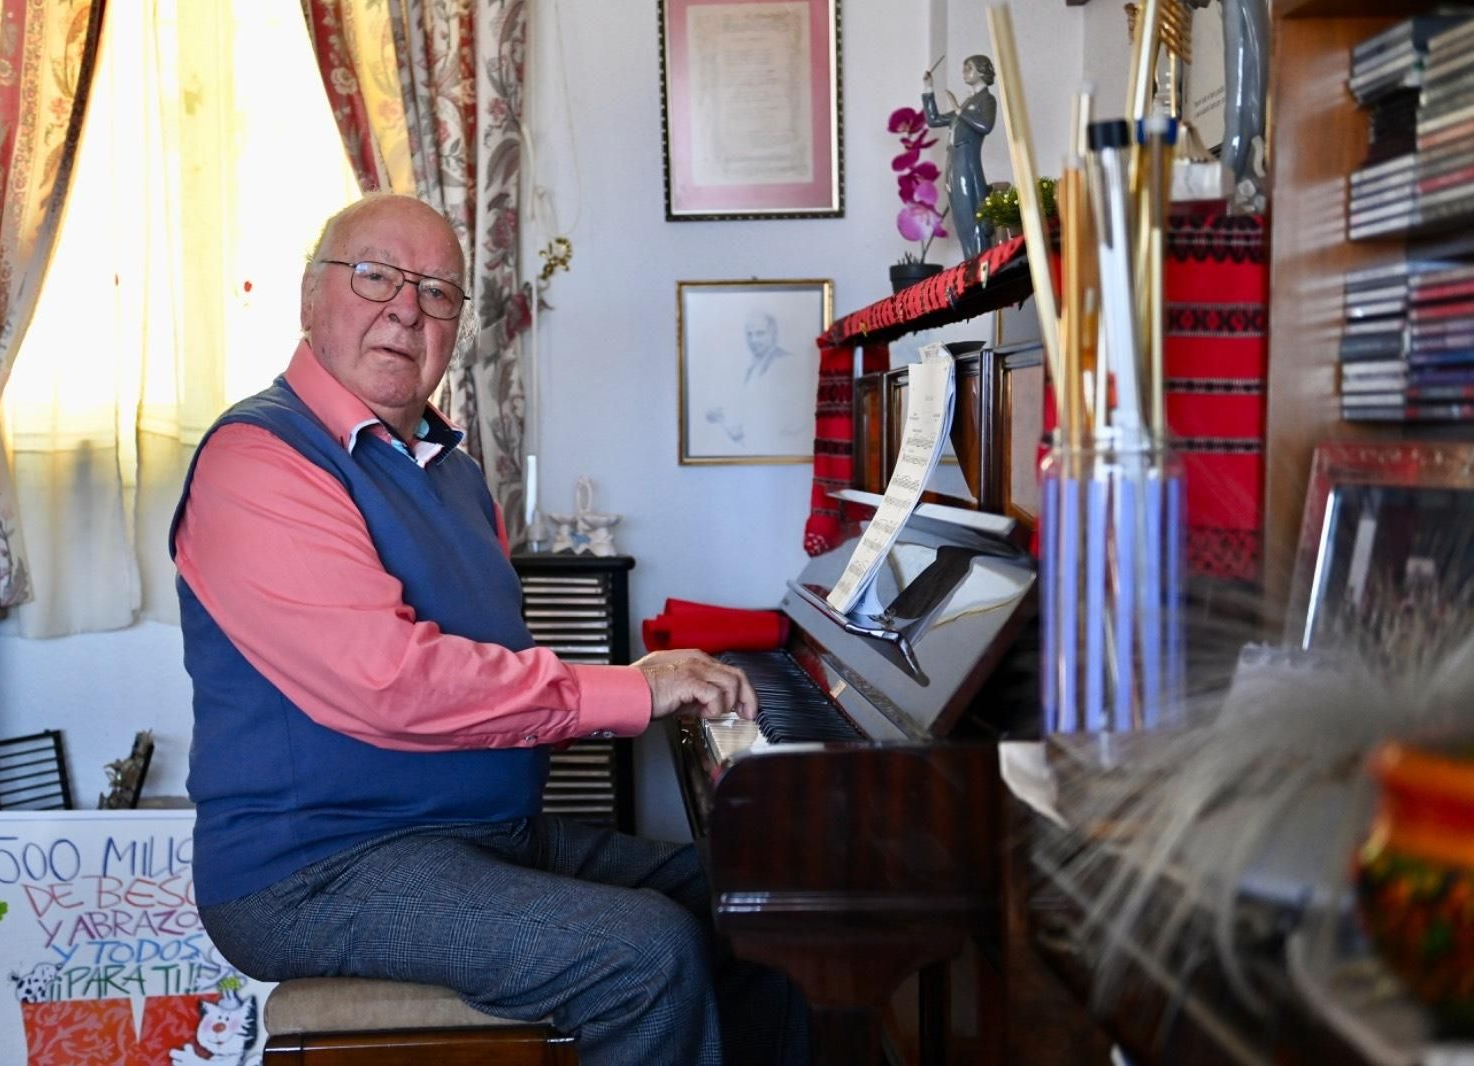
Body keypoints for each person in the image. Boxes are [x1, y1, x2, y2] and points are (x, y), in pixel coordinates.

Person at [169, 193, 808, 1065]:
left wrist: (645, 686)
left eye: (437, 292)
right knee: (646, 954)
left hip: (474, 838)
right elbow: (391, 682)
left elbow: (491, 671)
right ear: (310, 298)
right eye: (375, 276)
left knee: (760, 895)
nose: (406, 309)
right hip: (318, 867)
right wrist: (631, 693)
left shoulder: (454, 472)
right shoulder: (259, 458)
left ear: (456, 327)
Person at [702, 311, 812, 456]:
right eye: (749, 334)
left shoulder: (788, 364)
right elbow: (749, 410)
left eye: (760, 333)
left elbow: (798, 418)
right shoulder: (753, 368)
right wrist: (723, 418)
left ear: (774, 334)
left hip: (781, 453)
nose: (753, 340)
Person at [922, 55, 997, 259]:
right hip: (954, 161)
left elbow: (985, 125)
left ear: (981, 71)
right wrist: (928, 89)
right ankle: (969, 262)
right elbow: (934, 120)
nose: (964, 72)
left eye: (969, 68)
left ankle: (980, 262)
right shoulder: (967, 102)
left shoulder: (986, 100)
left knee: (972, 213)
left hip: (966, 159)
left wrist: (958, 109)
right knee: (961, 216)